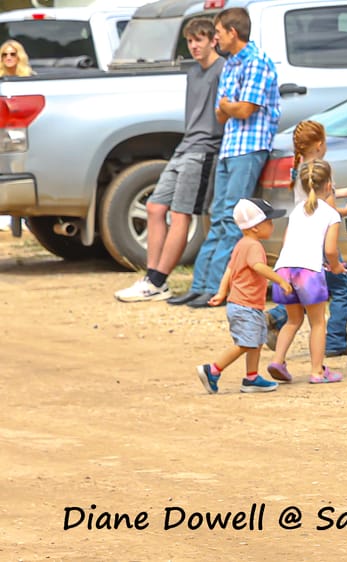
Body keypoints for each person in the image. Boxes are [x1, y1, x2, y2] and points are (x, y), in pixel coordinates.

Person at [175, 7, 279, 308]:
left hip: (249, 148)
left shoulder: (257, 62)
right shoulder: (231, 64)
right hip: (230, 146)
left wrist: (229, 105)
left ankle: (215, 287)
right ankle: (200, 284)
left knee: (234, 218)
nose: (216, 38)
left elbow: (244, 109)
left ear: (233, 32)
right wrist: (230, 106)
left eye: (218, 33)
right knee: (218, 215)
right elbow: (220, 113)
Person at [115, 19, 224, 303]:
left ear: (213, 40)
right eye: (190, 41)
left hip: (205, 149)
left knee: (180, 214)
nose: (194, 46)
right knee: (154, 206)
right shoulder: (193, 72)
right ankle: (152, 278)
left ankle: (158, 280)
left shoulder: (223, 69)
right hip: (185, 145)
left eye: (199, 40)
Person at [263, 121, 347, 357]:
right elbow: (329, 211)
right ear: (319, 145)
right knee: (340, 290)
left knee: (307, 288)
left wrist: (342, 191)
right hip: (320, 241)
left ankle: (277, 316)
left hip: (300, 238)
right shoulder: (322, 169)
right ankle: (335, 341)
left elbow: (314, 197)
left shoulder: (301, 168)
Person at [197, 198, 291, 394]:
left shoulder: (242, 244)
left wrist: (222, 292)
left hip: (247, 305)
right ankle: (212, 370)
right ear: (255, 227)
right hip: (245, 306)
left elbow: (230, 270)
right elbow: (259, 267)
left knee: (256, 341)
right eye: (269, 222)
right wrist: (280, 280)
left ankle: (252, 378)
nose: (272, 225)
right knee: (245, 343)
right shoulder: (254, 246)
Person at [264, 159, 346, 384]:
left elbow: (286, 242)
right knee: (317, 322)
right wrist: (336, 267)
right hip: (308, 272)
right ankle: (317, 371)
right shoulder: (331, 214)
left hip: (284, 270)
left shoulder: (297, 210)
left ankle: (278, 360)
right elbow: (330, 250)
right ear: (328, 185)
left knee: (293, 320)